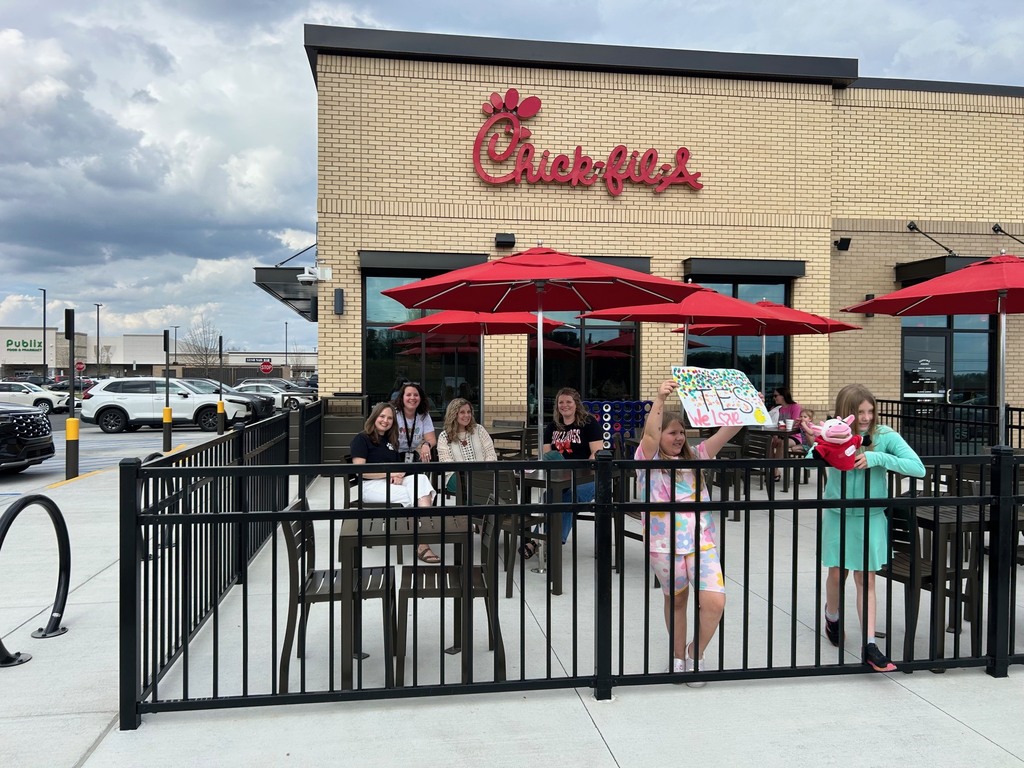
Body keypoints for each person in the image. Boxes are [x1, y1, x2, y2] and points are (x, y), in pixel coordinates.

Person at [635, 379, 742, 685]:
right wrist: (659, 399)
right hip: (663, 543)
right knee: (677, 601)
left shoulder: (697, 456)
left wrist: (746, 406)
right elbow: (651, 434)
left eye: (682, 432)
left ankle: (696, 651)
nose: (679, 437)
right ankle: (677, 657)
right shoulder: (647, 461)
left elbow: (727, 431)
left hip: (701, 541)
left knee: (714, 602)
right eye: (673, 432)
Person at [816, 383, 925, 673]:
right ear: (845, 413)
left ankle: (869, 645)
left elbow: (918, 467)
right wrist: (819, 443)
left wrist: (879, 458)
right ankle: (832, 616)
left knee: (867, 579)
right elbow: (809, 459)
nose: (865, 417)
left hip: (870, 516)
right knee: (837, 573)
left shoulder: (884, 435)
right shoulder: (834, 431)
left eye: (869, 411)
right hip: (838, 514)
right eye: (858, 412)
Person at [350, 401, 440, 563]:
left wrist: (400, 474)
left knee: (421, 480)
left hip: (390, 482)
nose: (385, 420)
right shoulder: (361, 439)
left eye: (390, 418)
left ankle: (422, 534)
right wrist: (389, 473)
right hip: (370, 486)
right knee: (411, 495)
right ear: (374, 417)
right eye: (382, 416)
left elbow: (400, 463)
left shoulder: (391, 441)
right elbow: (359, 471)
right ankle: (423, 542)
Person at [543, 387, 603, 542]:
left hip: (586, 478)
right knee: (549, 495)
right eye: (560, 402)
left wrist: (584, 471)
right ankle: (544, 540)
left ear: (576, 404)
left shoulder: (589, 423)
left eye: (568, 401)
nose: (564, 405)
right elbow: (547, 455)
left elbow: (596, 453)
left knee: (569, 496)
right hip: (561, 478)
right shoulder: (552, 427)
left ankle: (549, 541)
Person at [436, 397, 497, 494]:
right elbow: (447, 463)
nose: (467, 415)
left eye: (469, 412)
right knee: (475, 485)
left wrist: (483, 470)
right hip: (456, 476)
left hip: (481, 473)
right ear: (454, 414)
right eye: (462, 412)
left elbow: (491, 454)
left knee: (500, 482)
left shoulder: (479, 430)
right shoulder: (444, 436)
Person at [391, 382, 436, 464]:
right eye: (408, 395)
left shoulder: (424, 415)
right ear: (402, 398)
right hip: (393, 455)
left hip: (413, 456)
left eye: (416, 395)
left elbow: (431, 439)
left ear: (420, 398)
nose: (412, 398)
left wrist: (426, 445)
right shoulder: (394, 413)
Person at [769, 385, 803, 479]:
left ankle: (774, 470)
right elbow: (772, 425)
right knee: (769, 443)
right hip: (779, 434)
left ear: (783, 396)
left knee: (782, 443)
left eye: (776, 396)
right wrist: (775, 435)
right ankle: (773, 468)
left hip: (793, 436)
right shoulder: (776, 409)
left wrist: (780, 431)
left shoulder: (795, 407)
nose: (774, 398)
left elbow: (795, 423)